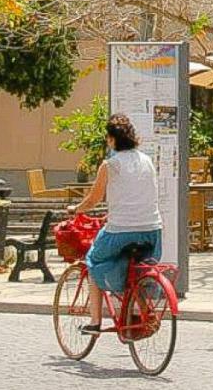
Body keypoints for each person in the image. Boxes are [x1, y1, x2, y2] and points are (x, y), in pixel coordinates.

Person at [73, 114, 163, 335]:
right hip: (153, 231)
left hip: (121, 232)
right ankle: (145, 312)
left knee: (92, 259)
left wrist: (75, 209)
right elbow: (136, 196)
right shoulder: (147, 160)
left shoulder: (110, 164)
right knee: (135, 273)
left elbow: (93, 199)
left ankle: (95, 322)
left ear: (112, 140)